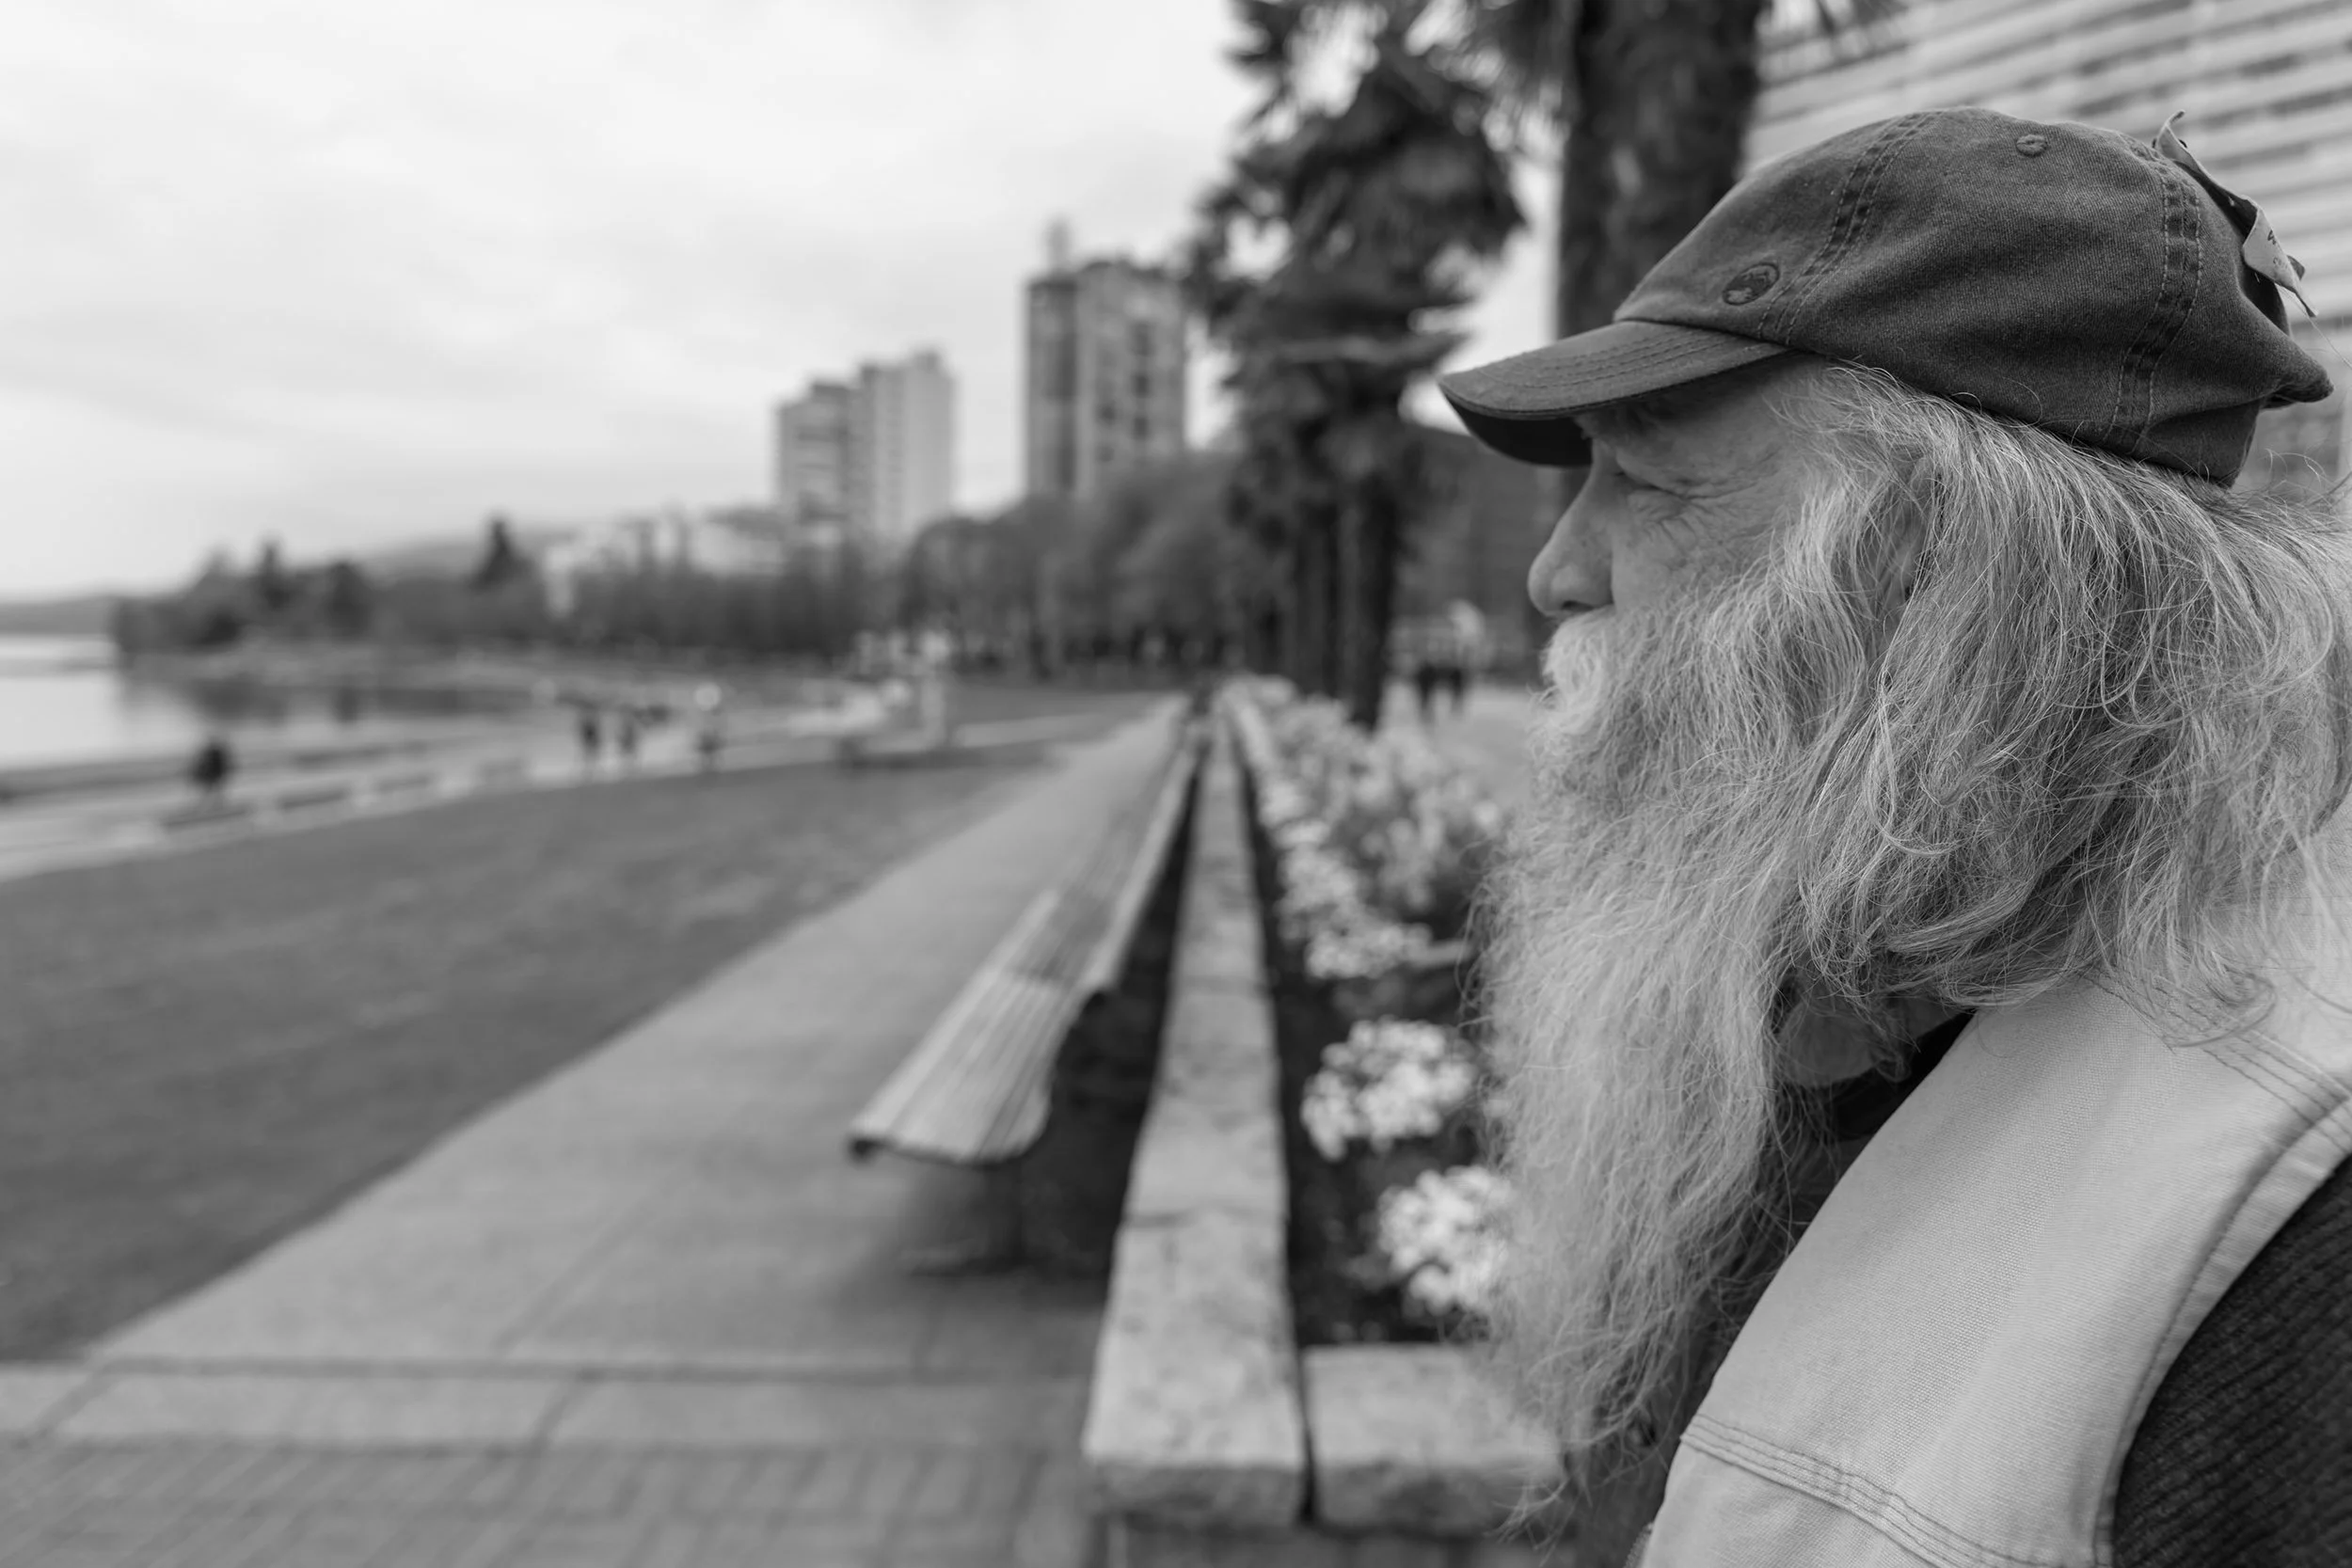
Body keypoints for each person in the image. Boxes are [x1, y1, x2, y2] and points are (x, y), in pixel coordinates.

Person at [1445, 109, 2352, 1565]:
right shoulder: (1856, 945)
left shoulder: (2297, 1241)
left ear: (1950, 585)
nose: (1560, 568)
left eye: (1659, 482)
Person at [188, 735, 233, 802]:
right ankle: (214, 803)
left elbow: (220, 764)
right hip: (212, 774)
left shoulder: (214, 753)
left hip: (214, 774)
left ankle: (216, 803)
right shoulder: (211, 753)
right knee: (212, 789)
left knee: (214, 789)